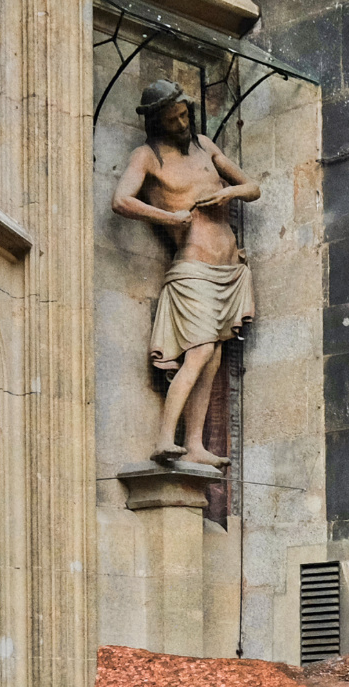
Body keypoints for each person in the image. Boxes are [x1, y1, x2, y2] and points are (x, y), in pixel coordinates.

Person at [111, 79, 260, 467]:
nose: (181, 124)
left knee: (212, 357)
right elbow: (121, 200)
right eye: (171, 119)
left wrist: (227, 193)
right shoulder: (147, 156)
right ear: (157, 123)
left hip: (229, 269)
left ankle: (194, 444)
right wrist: (169, 216)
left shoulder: (206, 146)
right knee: (200, 351)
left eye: (184, 115)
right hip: (193, 267)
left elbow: (253, 187)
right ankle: (164, 438)